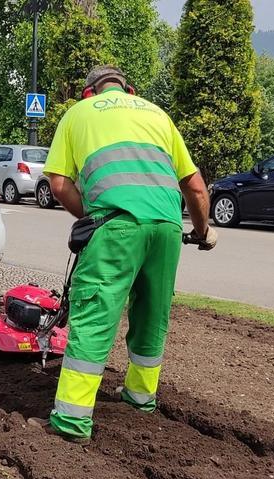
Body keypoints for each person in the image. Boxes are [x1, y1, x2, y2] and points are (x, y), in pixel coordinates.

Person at [41, 65, 217, 443]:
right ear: (130, 90)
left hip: (116, 226)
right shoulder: (158, 114)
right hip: (167, 228)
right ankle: (139, 399)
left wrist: (91, 215)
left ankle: (71, 421)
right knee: (152, 315)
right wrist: (202, 232)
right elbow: (197, 189)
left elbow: (58, 184)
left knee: (95, 314)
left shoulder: (77, 114)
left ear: (89, 92)